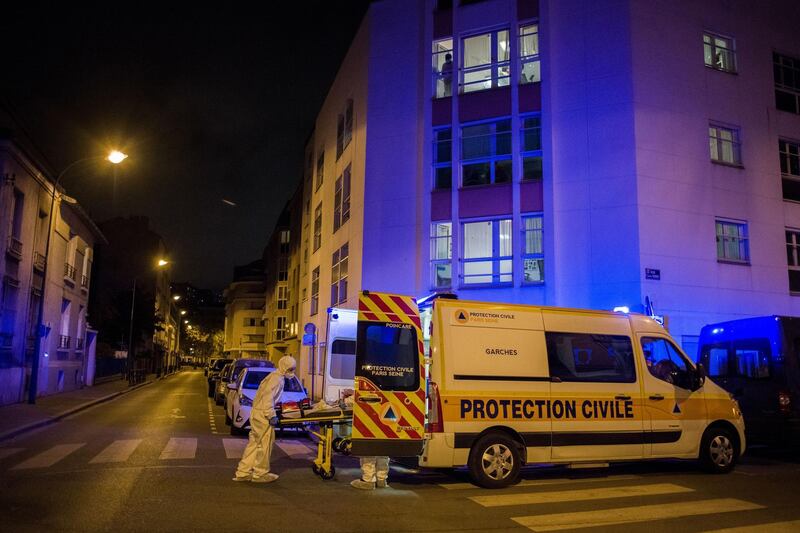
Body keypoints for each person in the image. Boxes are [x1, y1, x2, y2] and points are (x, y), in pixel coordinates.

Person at [232, 355, 297, 483]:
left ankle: (243, 472)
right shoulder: (277, 379)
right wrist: (271, 415)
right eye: (290, 369)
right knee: (264, 445)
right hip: (263, 415)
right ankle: (260, 473)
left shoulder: (274, 376)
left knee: (254, 444)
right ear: (284, 367)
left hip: (258, 413)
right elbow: (268, 398)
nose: (292, 372)